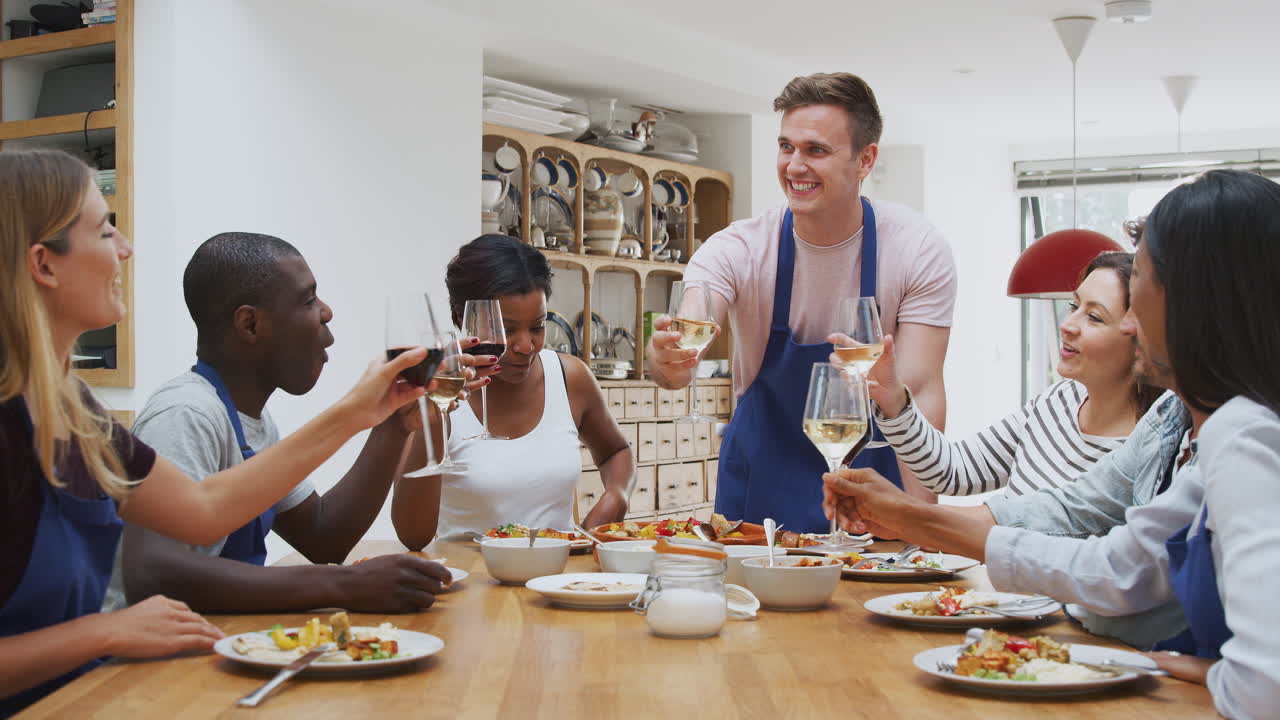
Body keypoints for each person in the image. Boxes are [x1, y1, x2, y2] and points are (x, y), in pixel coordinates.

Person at [824, 170, 1280, 719]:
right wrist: (910, 515)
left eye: (1137, 298)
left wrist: (1227, 673)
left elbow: (1262, 687)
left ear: (1196, 306)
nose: (1134, 325)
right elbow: (1117, 565)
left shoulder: (1244, 435)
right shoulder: (1179, 420)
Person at [0, 150, 428, 713]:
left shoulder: (75, 410)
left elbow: (203, 507)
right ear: (44, 264)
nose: (126, 247)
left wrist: (365, 411)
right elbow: (162, 561)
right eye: (106, 230)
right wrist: (104, 632)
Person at [646, 71, 957, 533]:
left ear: (864, 159)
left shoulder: (915, 247)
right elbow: (693, 321)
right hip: (760, 496)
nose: (793, 166)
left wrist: (924, 526)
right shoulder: (738, 248)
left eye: (816, 150)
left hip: (874, 491)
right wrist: (669, 358)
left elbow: (921, 390)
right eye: (786, 147)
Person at [103, 233, 459, 616]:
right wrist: (344, 585)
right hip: (139, 672)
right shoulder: (186, 413)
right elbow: (153, 575)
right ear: (250, 325)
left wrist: (391, 426)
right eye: (308, 300)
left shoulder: (252, 420)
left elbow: (325, 536)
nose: (326, 312)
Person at [392, 234, 634, 545]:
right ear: (461, 318)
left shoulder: (569, 377)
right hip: (471, 583)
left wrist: (616, 496)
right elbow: (412, 536)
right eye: (505, 330)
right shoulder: (438, 392)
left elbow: (616, 451)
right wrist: (438, 412)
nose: (525, 346)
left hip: (559, 579)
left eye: (537, 326)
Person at [871, 251, 1162, 497]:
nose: (1068, 324)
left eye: (1094, 317)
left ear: (1140, 341)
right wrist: (894, 400)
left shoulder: (1151, 449)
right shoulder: (1059, 400)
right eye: (1074, 305)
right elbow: (953, 471)